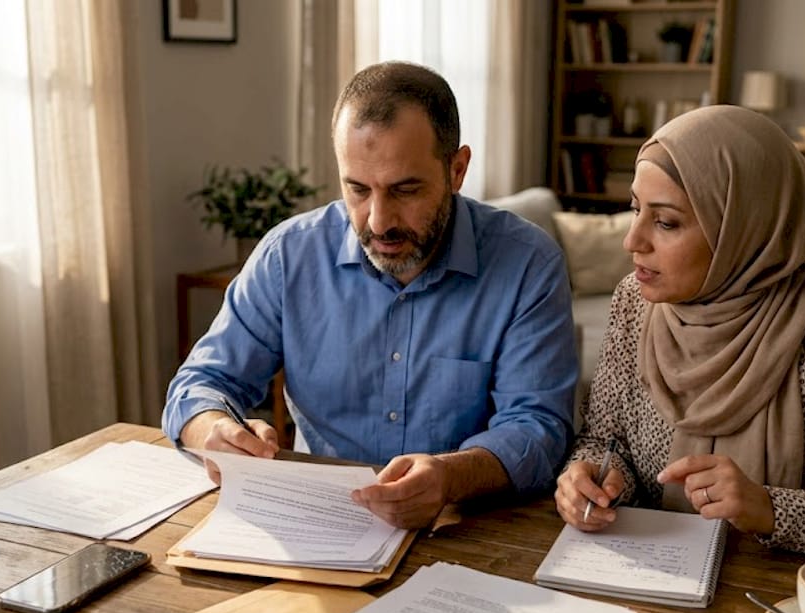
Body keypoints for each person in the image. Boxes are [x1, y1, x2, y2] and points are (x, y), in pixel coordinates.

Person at [165, 61, 578, 529]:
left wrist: (450, 477)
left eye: (405, 189)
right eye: (357, 189)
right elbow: (199, 384)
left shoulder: (528, 264)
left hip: (470, 528)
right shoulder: (288, 256)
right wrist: (214, 431)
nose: (379, 221)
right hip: (320, 525)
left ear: (457, 169)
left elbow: (539, 429)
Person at [553, 105, 805, 556]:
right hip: (657, 576)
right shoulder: (636, 301)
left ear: (742, 228)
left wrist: (771, 509)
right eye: (635, 210)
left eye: (665, 222)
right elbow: (605, 441)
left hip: (791, 598)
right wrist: (590, 477)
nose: (633, 240)